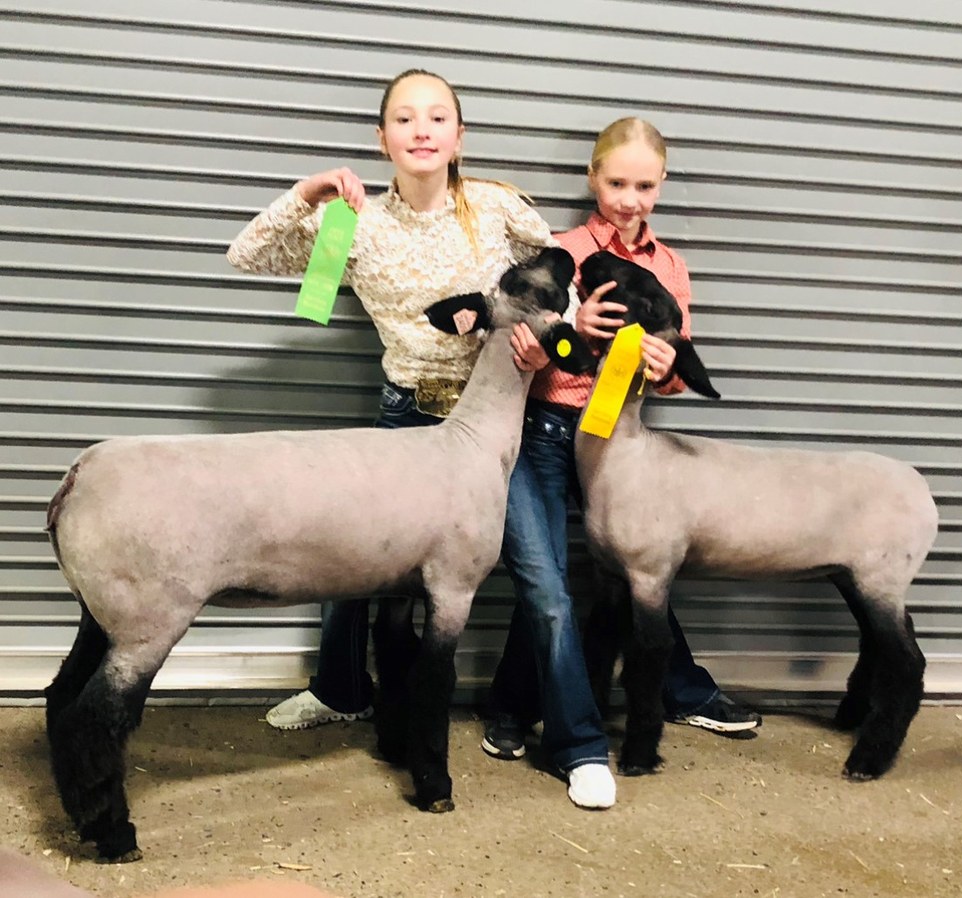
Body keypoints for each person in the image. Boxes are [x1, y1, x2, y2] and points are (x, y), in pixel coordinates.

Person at [226, 68, 616, 810]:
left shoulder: (497, 209)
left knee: (544, 582)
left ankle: (579, 743)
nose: (422, 129)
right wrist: (307, 195)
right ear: (383, 139)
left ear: (459, 135)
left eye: (438, 117)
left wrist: (546, 339)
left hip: (496, 427)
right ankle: (342, 691)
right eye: (404, 119)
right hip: (407, 417)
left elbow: (563, 282)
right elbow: (247, 256)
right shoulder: (353, 223)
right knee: (347, 563)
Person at [481, 117, 761, 768]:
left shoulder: (669, 266)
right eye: (616, 182)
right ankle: (512, 706)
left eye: (644, 185)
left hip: (621, 442)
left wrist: (664, 371)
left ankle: (681, 689)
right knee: (544, 573)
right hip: (550, 429)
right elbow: (523, 338)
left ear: (661, 184)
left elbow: (676, 366)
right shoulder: (562, 247)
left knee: (644, 569)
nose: (629, 198)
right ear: (592, 177)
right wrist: (565, 326)